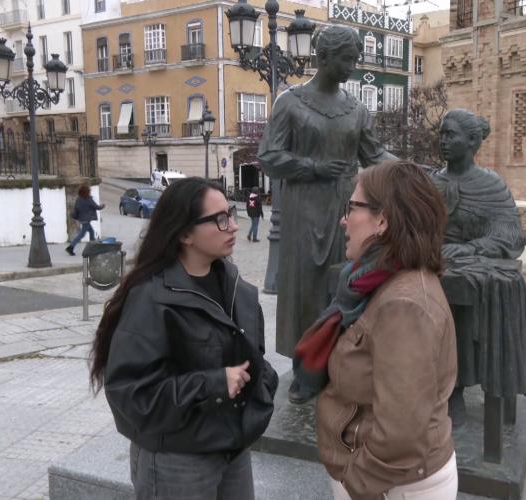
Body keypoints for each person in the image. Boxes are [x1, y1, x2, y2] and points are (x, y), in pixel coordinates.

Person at [88, 178, 279, 499]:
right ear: (185, 234)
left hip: (232, 447)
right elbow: (130, 393)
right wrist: (212, 384)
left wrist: (264, 386)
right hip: (177, 460)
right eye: (220, 219)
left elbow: (253, 357)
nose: (233, 226)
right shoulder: (151, 297)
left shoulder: (236, 286)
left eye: (231, 214)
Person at [295, 161, 458, 500]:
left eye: (351, 208)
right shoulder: (374, 282)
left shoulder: (404, 305)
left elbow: (401, 432)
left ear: (382, 220)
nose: (343, 220)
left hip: (391, 487)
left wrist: (357, 483)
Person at [258, 25, 396, 403]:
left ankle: (339, 361)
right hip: (303, 210)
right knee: (305, 287)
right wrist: (314, 167)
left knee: (343, 284)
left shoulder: (357, 109)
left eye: (355, 59)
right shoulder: (291, 103)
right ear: (324, 57)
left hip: (347, 210)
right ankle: (305, 368)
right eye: (347, 59)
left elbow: (375, 155)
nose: (353, 66)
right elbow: (268, 156)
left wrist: (408, 169)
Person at [431, 109, 526, 423]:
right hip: (431, 263)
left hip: (473, 268)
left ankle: (457, 389)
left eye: (451, 135)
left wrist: (468, 249)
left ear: (472, 141)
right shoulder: (430, 182)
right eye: (441, 134)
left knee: (465, 306)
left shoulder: (491, 185)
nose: (443, 140)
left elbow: (509, 234)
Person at [66, 184, 104, 256]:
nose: (90, 192)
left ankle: (93, 247)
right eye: (89, 191)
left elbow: (76, 209)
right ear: (87, 192)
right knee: (81, 235)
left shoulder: (78, 199)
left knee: (91, 232)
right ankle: (71, 247)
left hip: (82, 219)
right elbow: (97, 207)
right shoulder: (88, 199)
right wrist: (102, 206)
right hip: (87, 220)